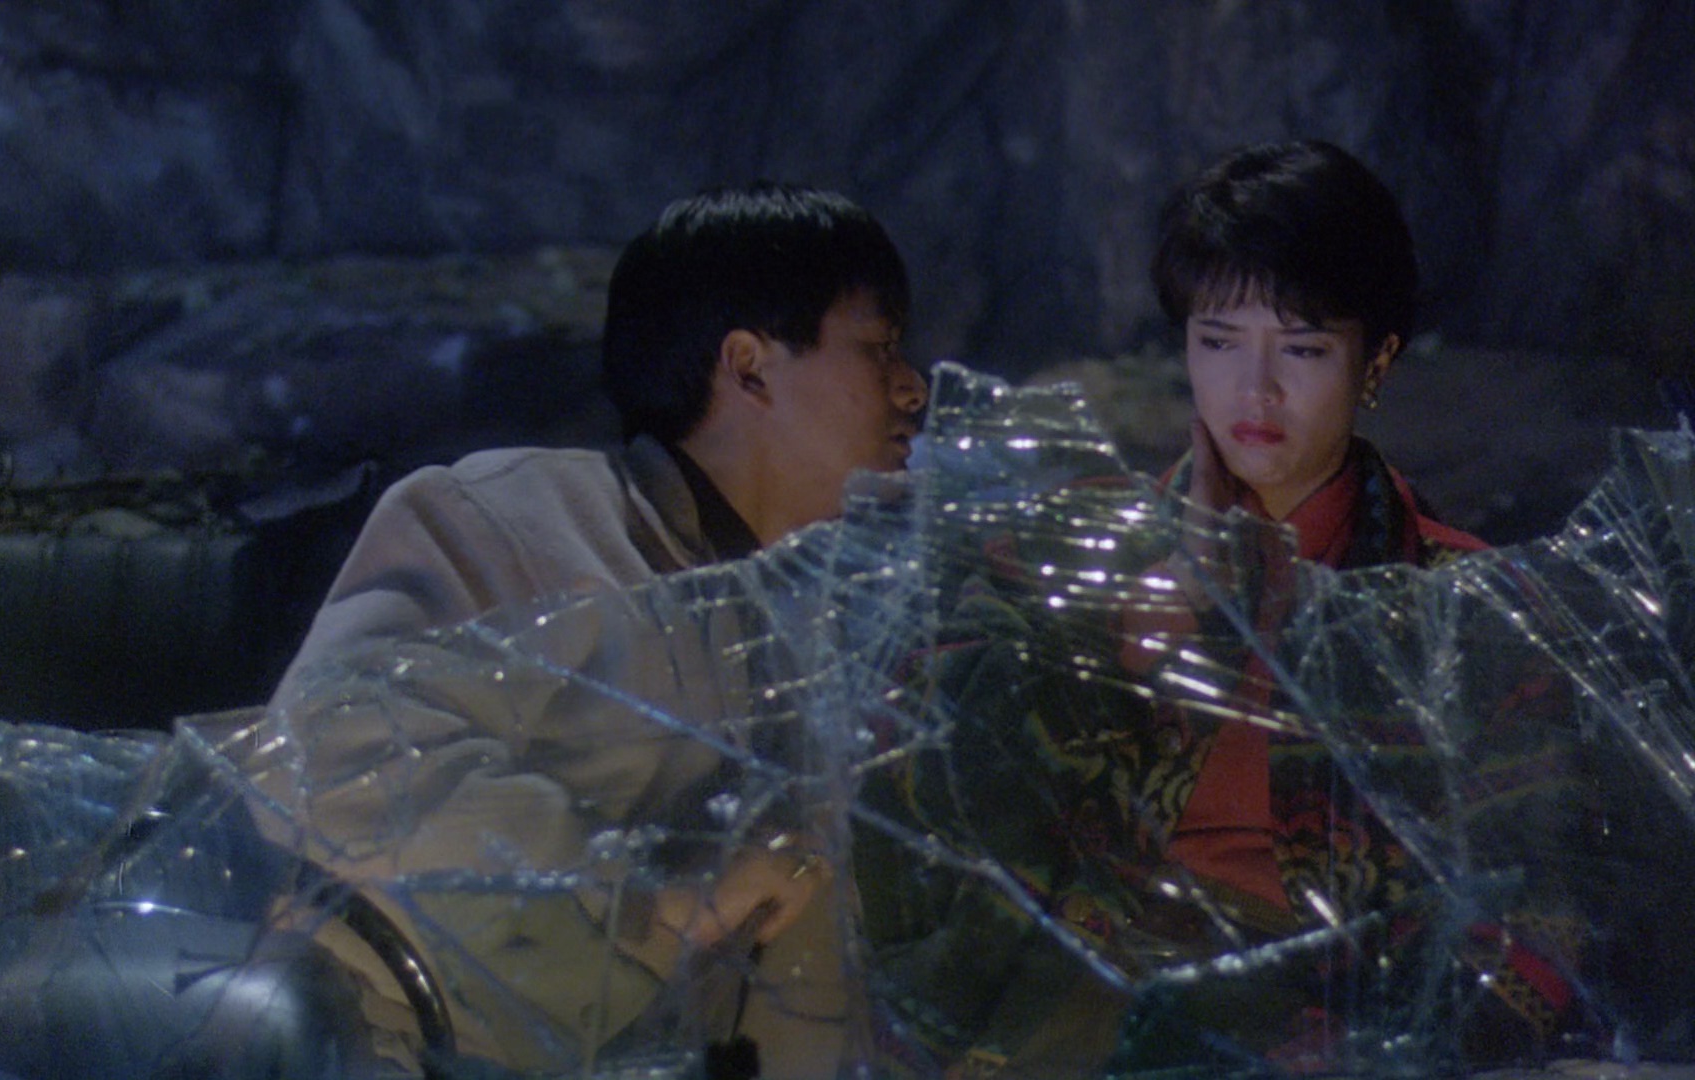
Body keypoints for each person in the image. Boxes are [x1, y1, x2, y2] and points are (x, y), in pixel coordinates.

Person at [867, 140, 1585, 1076]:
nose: (1255, 390)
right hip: (1069, 1022)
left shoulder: (1466, 607)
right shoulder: (1071, 560)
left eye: (1303, 348)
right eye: (1218, 341)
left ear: (1375, 362)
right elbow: (928, 790)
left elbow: (1542, 912)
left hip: (1340, 1034)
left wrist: (1383, 1050)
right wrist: (1148, 623)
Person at [269, 181, 928, 1075]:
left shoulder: (841, 617)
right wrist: (645, 895)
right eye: (879, 347)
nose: (913, 387)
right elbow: (331, 753)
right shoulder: (508, 524)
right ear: (748, 367)